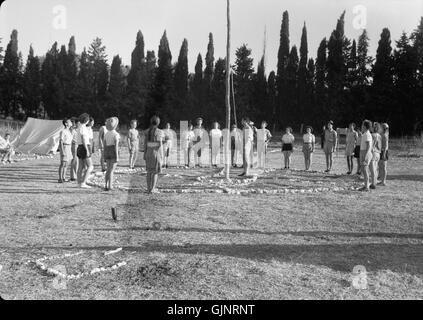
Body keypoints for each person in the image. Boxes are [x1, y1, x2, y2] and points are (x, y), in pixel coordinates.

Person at [144, 116, 164, 193]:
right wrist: (162, 156)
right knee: (155, 172)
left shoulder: (147, 131)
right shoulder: (160, 132)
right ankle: (152, 189)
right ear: (158, 123)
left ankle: (148, 188)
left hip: (148, 152)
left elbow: (145, 144)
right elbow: (159, 144)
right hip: (156, 153)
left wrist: (145, 153)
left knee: (149, 172)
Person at [76, 113, 94, 189]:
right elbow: (84, 139)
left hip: (80, 147)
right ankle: (83, 182)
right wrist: (87, 150)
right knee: (90, 166)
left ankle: (79, 182)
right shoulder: (83, 128)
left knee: (81, 166)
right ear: (86, 120)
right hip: (84, 147)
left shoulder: (79, 127)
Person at [103, 117, 120, 191]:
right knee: (111, 170)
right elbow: (116, 146)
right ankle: (110, 186)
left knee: (108, 169)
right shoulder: (116, 134)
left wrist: (104, 155)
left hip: (107, 151)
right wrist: (117, 156)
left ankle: (106, 185)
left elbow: (104, 145)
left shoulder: (106, 134)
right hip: (113, 151)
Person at [359, 120, 373, 192]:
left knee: (365, 170)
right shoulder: (365, 134)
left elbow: (369, 146)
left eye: (362, 125)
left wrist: (366, 156)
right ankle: (365, 185)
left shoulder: (367, 134)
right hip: (363, 152)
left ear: (364, 126)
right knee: (364, 170)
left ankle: (367, 187)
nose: (361, 126)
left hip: (366, 153)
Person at [58, 118, 73, 183]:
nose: (71, 122)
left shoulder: (69, 131)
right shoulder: (63, 131)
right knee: (63, 163)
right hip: (65, 146)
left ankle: (64, 177)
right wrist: (62, 151)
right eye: (69, 122)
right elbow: (60, 141)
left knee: (67, 164)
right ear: (66, 123)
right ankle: (60, 178)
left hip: (69, 147)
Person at [370, 122, 382, 190]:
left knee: (372, 170)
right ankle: (375, 182)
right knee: (375, 169)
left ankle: (373, 184)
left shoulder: (372, 135)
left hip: (373, 153)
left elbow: (371, 145)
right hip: (378, 153)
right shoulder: (379, 135)